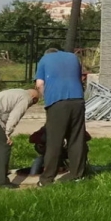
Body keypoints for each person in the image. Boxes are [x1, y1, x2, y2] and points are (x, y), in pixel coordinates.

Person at [34, 47, 86, 186]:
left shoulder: (44, 59)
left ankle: (47, 179)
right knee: (76, 138)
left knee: (54, 141)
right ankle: (77, 175)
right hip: (78, 101)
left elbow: (39, 84)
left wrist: (47, 97)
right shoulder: (73, 57)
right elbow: (80, 77)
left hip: (57, 102)